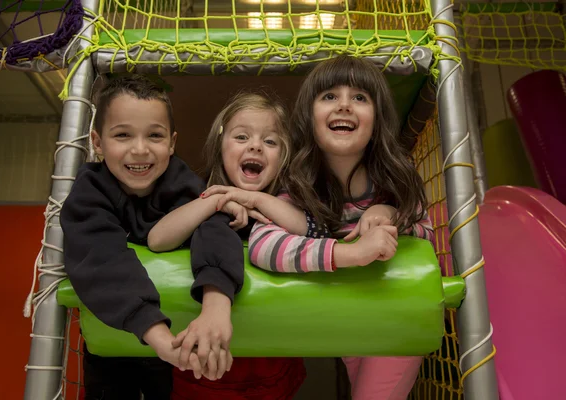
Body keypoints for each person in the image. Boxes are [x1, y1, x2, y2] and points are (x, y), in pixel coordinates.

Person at [241, 55, 435, 399]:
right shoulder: (298, 183)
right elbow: (262, 248)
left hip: (397, 317)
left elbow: (427, 235)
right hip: (348, 321)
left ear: (376, 120)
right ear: (308, 117)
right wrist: (351, 252)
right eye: (329, 96)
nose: (344, 105)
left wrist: (390, 215)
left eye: (360, 97)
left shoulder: (396, 177)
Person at [60, 74, 243, 400]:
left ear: (172, 143)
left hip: (183, 335)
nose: (140, 149)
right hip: (117, 342)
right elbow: (102, 258)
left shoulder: (183, 184)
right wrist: (160, 339)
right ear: (98, 142)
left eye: (154, 136)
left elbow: (215, 230)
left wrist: (216, 306)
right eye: (123, 135)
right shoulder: (89, 193)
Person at [148, 90, 307, 399]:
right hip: (201, 370)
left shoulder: (288, 205)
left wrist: (254, 200)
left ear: (284, 159)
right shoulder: (199, 200)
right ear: (220, 147)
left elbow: (305, 226)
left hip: (271, 372)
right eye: (242, 136)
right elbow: (157, 239)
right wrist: (218, 200)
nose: (256, 145)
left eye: (271, 142)